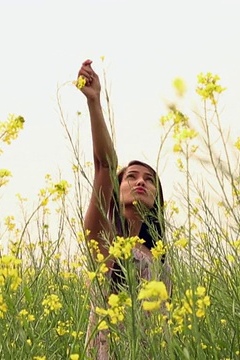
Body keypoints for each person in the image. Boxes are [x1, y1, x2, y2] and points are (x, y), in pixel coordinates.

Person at [76, 59, 168, 359]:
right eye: (132, 177)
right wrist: (94, 103)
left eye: (149, 180)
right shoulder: (104, 241)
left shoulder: (159, 259)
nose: (141, 182)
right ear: (117, 190)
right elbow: (104, 164)